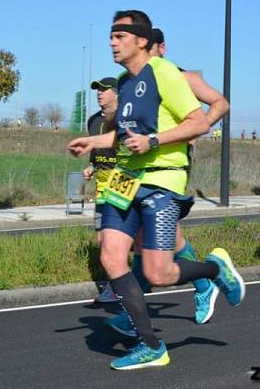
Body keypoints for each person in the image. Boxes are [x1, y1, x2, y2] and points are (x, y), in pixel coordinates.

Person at [69, 10, 245, 370]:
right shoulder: (124, 80)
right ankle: (151, 346)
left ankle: (213, 270)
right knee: (111, 257)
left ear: (142, 40)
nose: (112, 43)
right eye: (111, 36)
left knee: (157, 273)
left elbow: (197, 122)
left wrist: (154, 140)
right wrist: (92, 142)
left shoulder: (166, 72)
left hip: (161, 180)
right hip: (125, 178)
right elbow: (121, 135)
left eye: (119, 36)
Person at [109, 26, 229, 331]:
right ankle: (138, 308)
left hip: (165, 165)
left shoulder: (180, 76)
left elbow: (220, 104)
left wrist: (190, 134)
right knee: (145, 240)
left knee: (161, 240)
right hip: (133, 169)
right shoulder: (136, 80)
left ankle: (205, 283)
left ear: (160, 48)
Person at [83, 77, 119, 303]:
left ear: (116, 94)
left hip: (122, 182)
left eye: (104, 90)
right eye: (97, 90)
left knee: (116, 238)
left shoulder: (125, 118)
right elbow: (93, 152)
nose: (99, 93)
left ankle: (119, 285)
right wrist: (90, 166)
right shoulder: (93, 121)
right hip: (102, 186)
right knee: (101, 239)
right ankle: (115, 284)